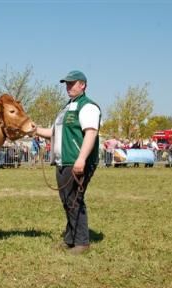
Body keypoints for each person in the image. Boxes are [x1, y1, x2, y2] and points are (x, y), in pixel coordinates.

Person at [35, 70, 101, 255]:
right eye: (67, 84)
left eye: (72, 84)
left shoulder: (87, 107)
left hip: (76, 161)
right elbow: (53, 132)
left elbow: (91, 133)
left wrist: (81, 159)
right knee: (67, 200)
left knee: (74, 200)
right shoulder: (66, 108)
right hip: (63, 161)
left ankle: (82, 243)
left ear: (83, 85)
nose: (68, 87)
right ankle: (70, 239)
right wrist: (35, 130)